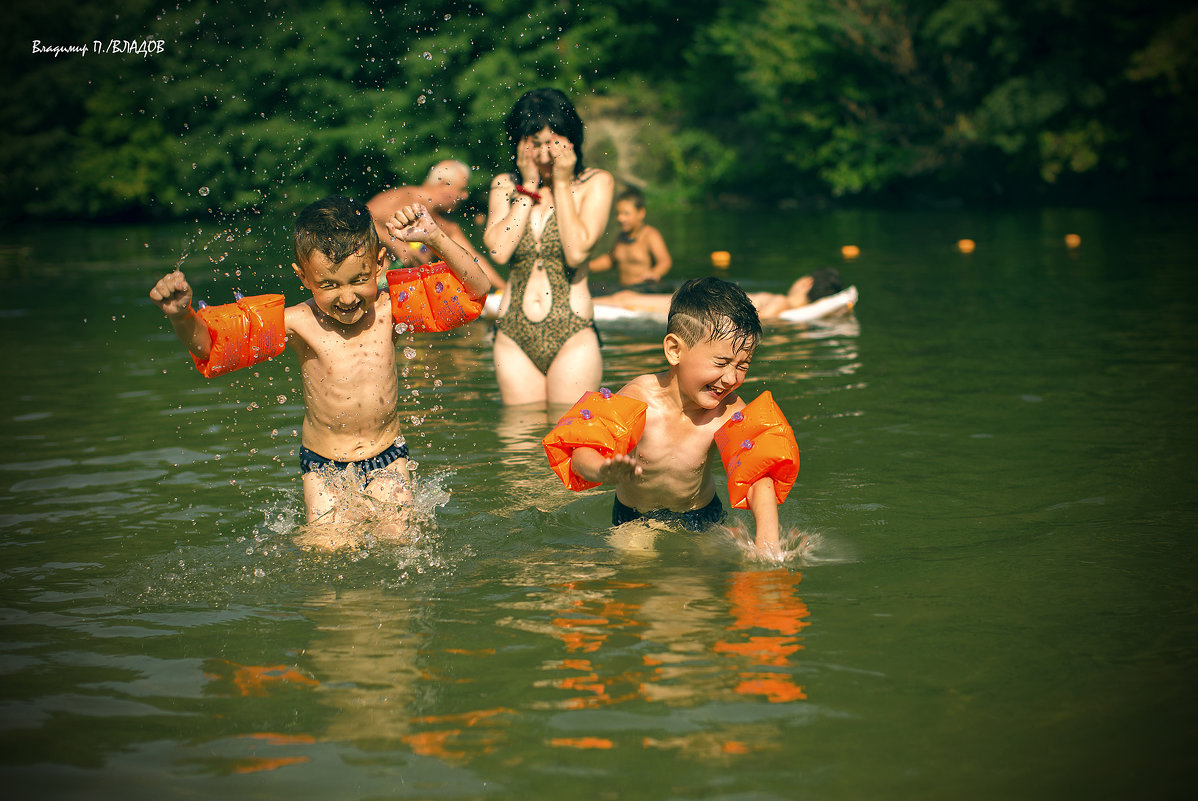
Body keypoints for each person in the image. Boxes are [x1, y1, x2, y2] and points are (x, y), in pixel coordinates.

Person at [149, 196, 492, 533]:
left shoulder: (391, 309)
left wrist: (434, 237)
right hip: (324, 467)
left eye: (359, 280)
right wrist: (182, 315)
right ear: (303, 277)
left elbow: (475, 290)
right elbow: (211, 345)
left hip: (388, 457)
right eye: (328, 285)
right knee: (327, 553)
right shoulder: (299, 323)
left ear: (379, 264)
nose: (346, 297)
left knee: (397, 544)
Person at [543, 277, 801, 556]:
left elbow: (758, 475)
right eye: (722, 362)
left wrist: (767, 540)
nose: (730, 378)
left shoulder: (729, 412)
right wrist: (602, 471)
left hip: (701, 517)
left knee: (700, 585)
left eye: (743, 365)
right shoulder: (637, 399)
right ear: (675, 351)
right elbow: (583, 452)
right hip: (634, 518)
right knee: (635, 573)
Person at [484, 88, 614, 406]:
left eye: (553, 143)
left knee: (570, 435)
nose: (545, 155)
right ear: (518, 143)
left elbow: (576, 251)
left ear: (572, 139)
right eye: (535, 144)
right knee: (519, 441)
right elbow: (499, 250)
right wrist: (528, 188)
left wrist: (560, 182)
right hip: (513, 332)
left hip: (573, 330)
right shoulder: (505, 186)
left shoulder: (595, 183)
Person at [367, 160, 504, 289]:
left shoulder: (447, 225)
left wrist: (504, 289)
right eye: (462, 189)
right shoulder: (404, 197)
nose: (465, 196)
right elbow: (363, 219)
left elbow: (472, 259)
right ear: (444, 184)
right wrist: (397, 246)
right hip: (375, 282)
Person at [595, 268, 845, 320]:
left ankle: (569, 303)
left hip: (702, 306)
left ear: (807, 282)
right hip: (705, 306)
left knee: (625, 299)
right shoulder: (790, 308)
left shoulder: (782, 302)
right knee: (626, 299)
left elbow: (763, 319)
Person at [588, 187, 673, 291]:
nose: (620, 218)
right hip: (623, 290)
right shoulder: (621, 237)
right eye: (617, 214)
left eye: (626, 213)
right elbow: (610, 260)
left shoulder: (650, 235)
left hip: (644, 290)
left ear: (641, 213)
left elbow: (665, 261)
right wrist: (587, 267)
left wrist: (655, 272)